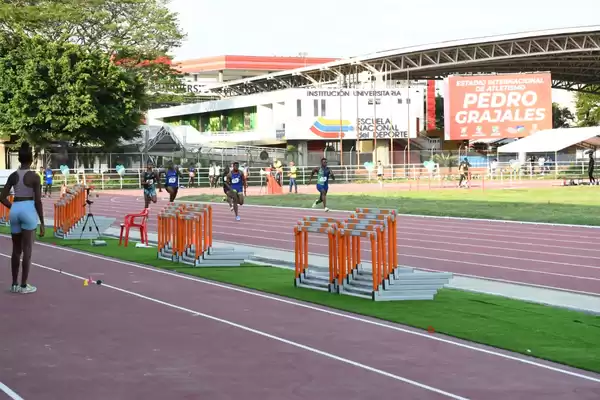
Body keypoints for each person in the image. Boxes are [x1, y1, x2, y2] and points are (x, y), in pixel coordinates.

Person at [0, 142, 44, 294]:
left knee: (16, 251)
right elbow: (38, 201)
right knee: (27, 250)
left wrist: (13, 207)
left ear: (19, 159)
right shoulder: (34, 176)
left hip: (16, 209)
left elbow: (2, 197)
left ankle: (14, 284)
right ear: (31, 160)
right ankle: (24, 286)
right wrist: (43, 222)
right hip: (28, 209)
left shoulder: (13, 176)